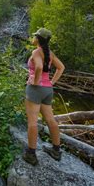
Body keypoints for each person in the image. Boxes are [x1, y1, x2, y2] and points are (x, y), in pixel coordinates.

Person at [22, 27, 65, 166]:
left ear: (38, 39)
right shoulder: (50, 53)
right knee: (50, 120)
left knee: (32, 122)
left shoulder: (36, 52)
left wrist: (35, 82)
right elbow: (61, 68)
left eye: (35, 36)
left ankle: (31, 154)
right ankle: (56, 150)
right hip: (47, 90)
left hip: (36, 89)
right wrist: (51, 82)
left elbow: (39, 67)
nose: (33, 38)